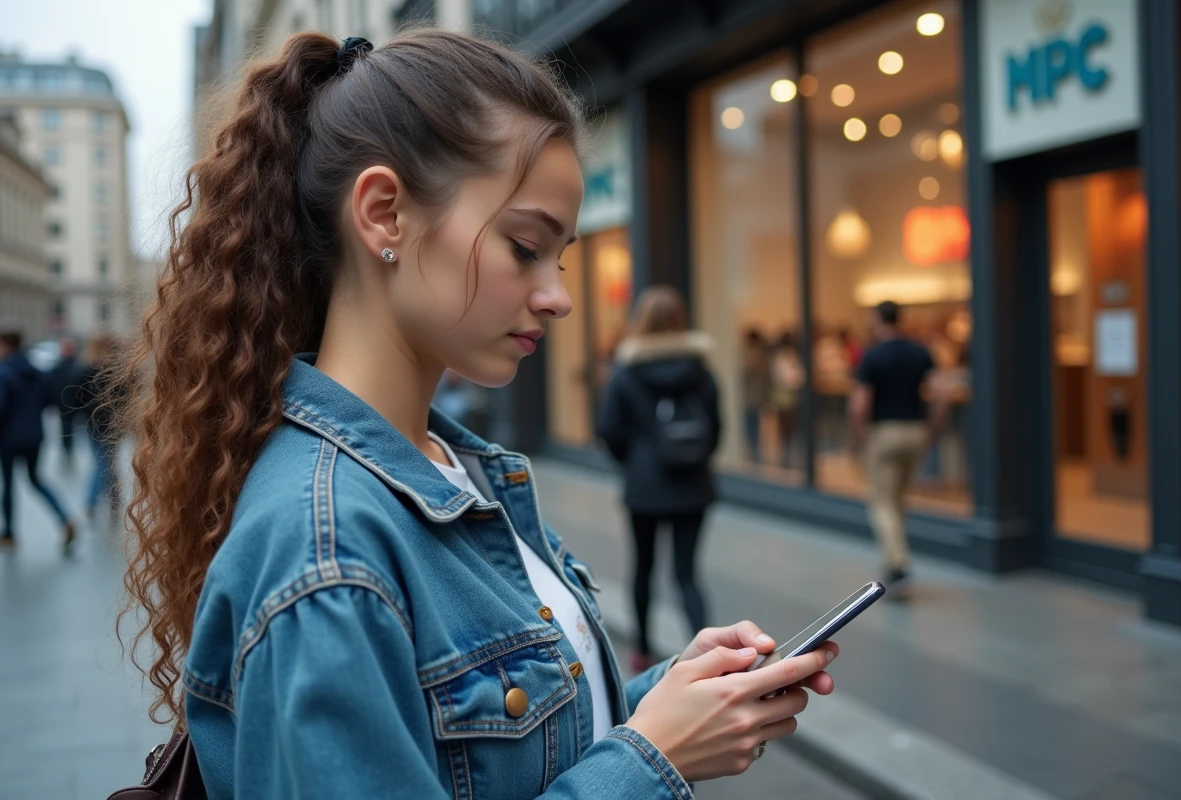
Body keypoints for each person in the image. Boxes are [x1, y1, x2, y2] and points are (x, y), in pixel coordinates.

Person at [112, 31, 838, 799]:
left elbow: (511, 743)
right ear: (384, 214)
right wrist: (652, 760)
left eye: (557, 258)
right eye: (525, 246)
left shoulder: (452, 465)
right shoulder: (325, 550)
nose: (558, 294)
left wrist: (674, 697)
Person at [598, 286, 720, 673]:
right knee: (687, 574)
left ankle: (642, 651)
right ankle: (713, 655)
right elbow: (717, 428)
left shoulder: (627, 372)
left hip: (645, 487)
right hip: (694, 485)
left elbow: (609, 428)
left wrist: (633, 461)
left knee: (643, 569)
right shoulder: (701, 371)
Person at [849, 301, 949, 596]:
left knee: (882, 501)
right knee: (898, 499)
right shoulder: (920, 351)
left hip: (884, 433)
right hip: (915, 430)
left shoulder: (872, 355)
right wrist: (932, 428)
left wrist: (859, 439)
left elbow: (858, 405)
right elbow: (942, 392)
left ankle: (897, 564)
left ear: (877, 320)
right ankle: (896, 556)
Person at [0, 329, 76, 552]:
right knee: (36, 479)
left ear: (5, 345)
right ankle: (65, 519)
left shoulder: (5, 373)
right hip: (34, 434)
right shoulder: (38, 372)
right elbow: (50, 401)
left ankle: (10, 534)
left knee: (8, 484)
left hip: (8, 438)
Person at [77, 334, 123, 524]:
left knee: (103, 463)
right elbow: (127, 397)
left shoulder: (85, 369)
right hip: (115, 424)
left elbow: (77, 398)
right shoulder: (118, 369)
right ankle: (112, 501)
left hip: (93, 424)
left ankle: (93, 501)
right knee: (107, 463)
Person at [769, 331, 805, 469]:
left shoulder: (791, 357)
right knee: (784, 427)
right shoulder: (781, 358)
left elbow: (799, 376)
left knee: (791, 427)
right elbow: (785, 378)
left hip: (791, 396)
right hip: (784, 396)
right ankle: (785, 455)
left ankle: (789, 454)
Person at [47, 336, 83, 471]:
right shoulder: (57, 367)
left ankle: (69, 456)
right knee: (66, 433)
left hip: (78, 406)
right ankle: (67, 455)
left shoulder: (79, 365)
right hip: (64, 406)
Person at [740, 328, 770, 464]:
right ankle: (754, 454)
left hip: (751, 396)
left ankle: (755, 454)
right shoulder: (760, 354)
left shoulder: (754, 354)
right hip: (754, 396)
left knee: (752, 426)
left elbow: (748, 370)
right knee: (753, 426)